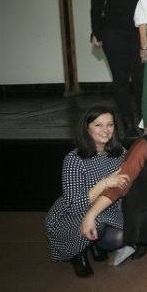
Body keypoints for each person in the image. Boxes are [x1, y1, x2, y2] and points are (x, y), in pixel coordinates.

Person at [81, 103, 147, 261]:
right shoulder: (144, 146)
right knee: (139, 215)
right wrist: (91, 214)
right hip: (145, 196)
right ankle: (141, 241)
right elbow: (120, 183)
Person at [45, 106, 128, 277]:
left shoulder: (120, 153)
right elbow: (74, 205)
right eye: (99, 125)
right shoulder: (75, 160)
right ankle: (77, 253)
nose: (106, 130)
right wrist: (104, 183)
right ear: (87, 128)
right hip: (71, 214)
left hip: (107, 208)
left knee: (121, 236)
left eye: (110, 124)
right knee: (96, 221)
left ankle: (93, 243)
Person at [90, 0, 147, 137]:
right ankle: (127, 122)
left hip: (138, 33)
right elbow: (96, 3)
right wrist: (96, 32)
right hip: (112, 31)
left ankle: (145, 120)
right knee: (121, 79)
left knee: (141, 78)